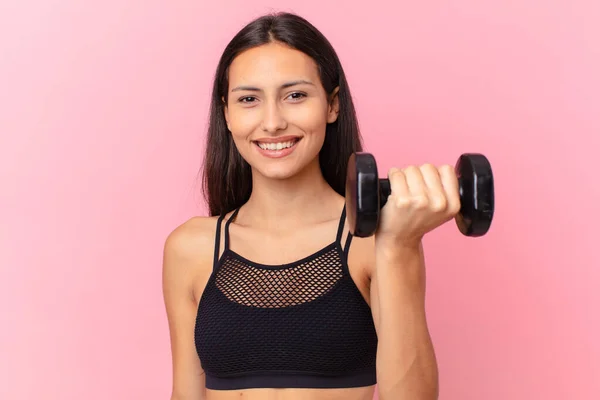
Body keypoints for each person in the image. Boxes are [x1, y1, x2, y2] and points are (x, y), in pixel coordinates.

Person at [162, 11, 459, 400]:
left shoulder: (375, 240)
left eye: (295, 95)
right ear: (227, 114)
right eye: (249, 99)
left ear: (332, 105)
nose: (272, 123)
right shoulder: (191, 248)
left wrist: (400, 245)